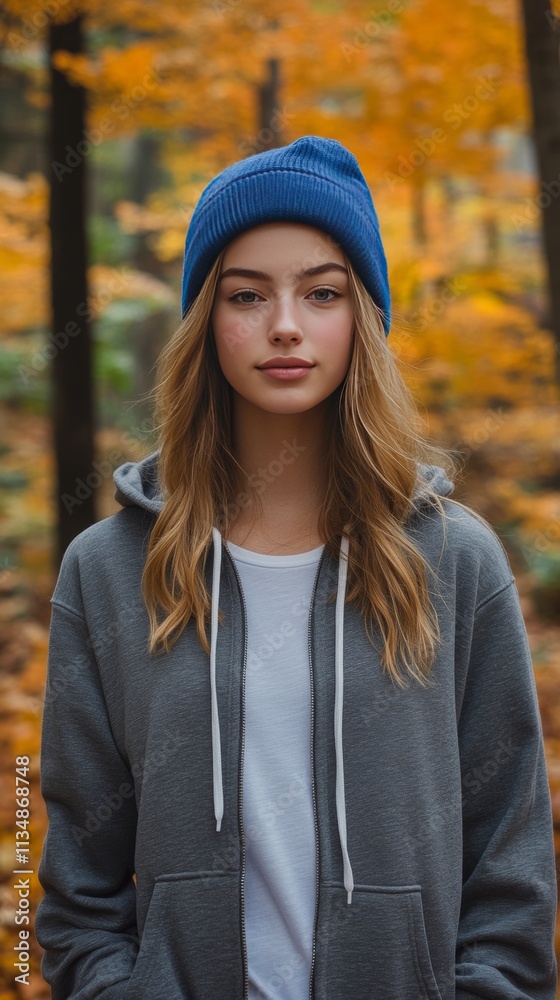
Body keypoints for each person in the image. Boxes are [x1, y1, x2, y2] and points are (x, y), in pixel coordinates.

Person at [35, 135, 558, 1000]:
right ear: (207, 320)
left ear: (364, 319)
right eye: (248, 294)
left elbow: (510, 853)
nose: (285, 324)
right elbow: (73, 875)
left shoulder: (455, 560)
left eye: (322, 293)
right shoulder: (108, 571)